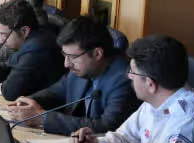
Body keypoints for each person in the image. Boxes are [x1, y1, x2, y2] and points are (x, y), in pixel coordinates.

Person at [69, 35, 194, 143]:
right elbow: (127, 139)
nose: (129, 76)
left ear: (150, 84)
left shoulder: (190, 119)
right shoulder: (156, 100)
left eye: (132, 71)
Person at [8, 17, 140, 136]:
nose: (66, 64)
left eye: (72, 57)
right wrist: (29, 102)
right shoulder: (81, 65)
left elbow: (105, 127)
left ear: (97, 54)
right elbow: (58, 90)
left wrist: (41, 118)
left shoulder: (125, 79)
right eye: (65, 55)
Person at [0, 0, 64, 100]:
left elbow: (9, 92)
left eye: (4, 35)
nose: (0, 40)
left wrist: (2, 84)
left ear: (24, 31)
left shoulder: (35, 51)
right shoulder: (37, 36)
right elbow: (11, 63)